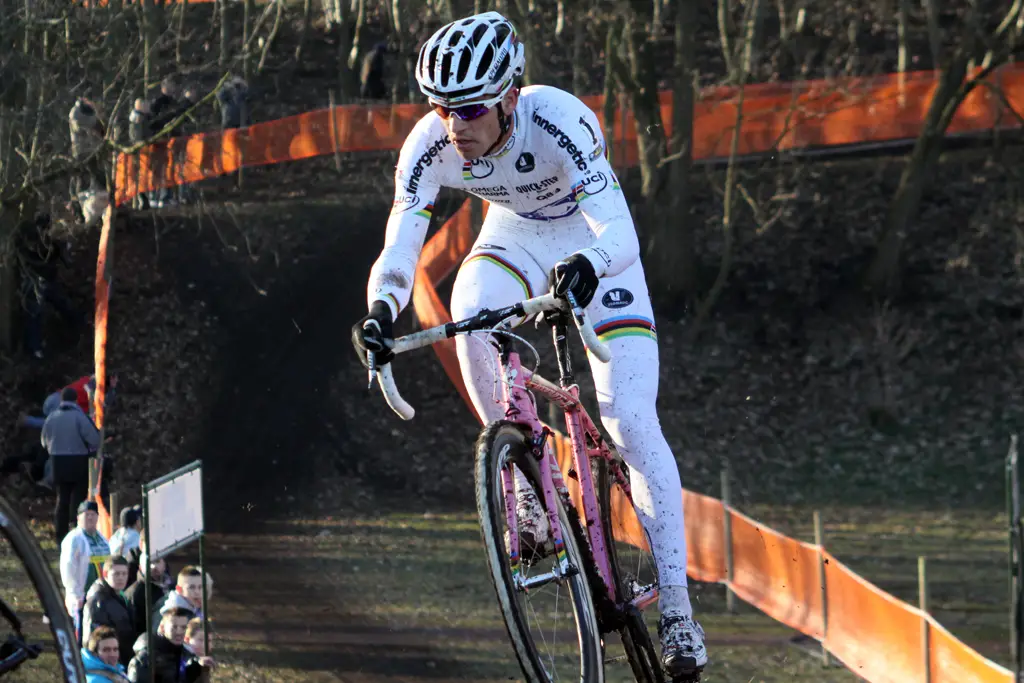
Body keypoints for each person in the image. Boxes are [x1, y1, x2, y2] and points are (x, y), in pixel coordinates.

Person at [349, 11, 707, 677]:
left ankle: (680, 613)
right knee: (467, 310)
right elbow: (401, 239)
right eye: (442, 108)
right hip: (513, 235)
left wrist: (590, 266)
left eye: (473, 109)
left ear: (511, 97)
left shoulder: (557, 119)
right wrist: (380, 310)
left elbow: (620, 231)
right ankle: (521, 477)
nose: (456, 126)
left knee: (629, 419)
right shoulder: (430, 145)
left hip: (595, 247)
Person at [43, 387, 101, 543]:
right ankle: (77, 532)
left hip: (57, 462)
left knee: (62, 499)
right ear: (76, 400)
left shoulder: (52, 417)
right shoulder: (79, 417)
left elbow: (44, 442)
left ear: (61, 400)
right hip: (77, 462)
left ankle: (60, 535)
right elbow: (94, 439)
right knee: (78, 499)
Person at [60, 500, 110, 639]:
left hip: (101, 593)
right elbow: (68, 568)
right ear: (78, 518)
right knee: (82, 630)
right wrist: (74, 593)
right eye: (86, 514)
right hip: (82, 595)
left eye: (93, 514)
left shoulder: (103, 539)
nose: (90, 518)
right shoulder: (73, 539)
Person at [83, 556, 135, 667]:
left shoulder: (120, 597)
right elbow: (94, 641)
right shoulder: (98, 602)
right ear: (106, 574)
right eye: (116, 574)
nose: (121, 578)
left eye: (124, 574)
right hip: (108, 664)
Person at [127, 607, 190, 683]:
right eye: (174, 627)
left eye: (183, 627)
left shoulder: (184, 653)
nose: (179, 632)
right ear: (162, 628)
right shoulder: (146, 657)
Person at [110, 505, 143, 586]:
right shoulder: (136, 537)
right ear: (137, 521)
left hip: (113, 574)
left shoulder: (115, 536)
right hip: (129, 577)